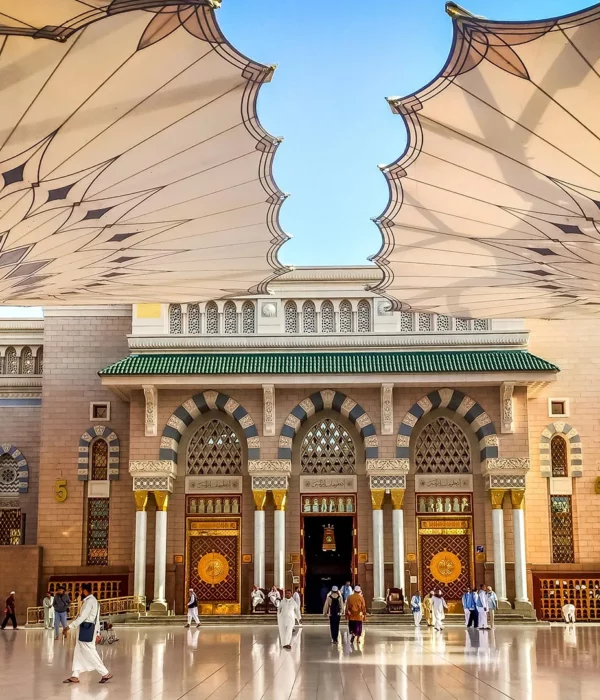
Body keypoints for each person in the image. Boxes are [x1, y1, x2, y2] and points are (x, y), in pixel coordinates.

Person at [62, 583, 112, 684]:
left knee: (89, 652)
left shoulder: (90, 602)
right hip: (88, 629)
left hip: (87, 629)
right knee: (78, 651)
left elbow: (83, 617)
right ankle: (75, 675)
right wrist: (97, 632)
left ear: (85, 591)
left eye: (80, 591)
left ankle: (104, 673)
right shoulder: (92, 601)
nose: (79, 593)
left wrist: (69, 627)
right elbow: (97, 619)